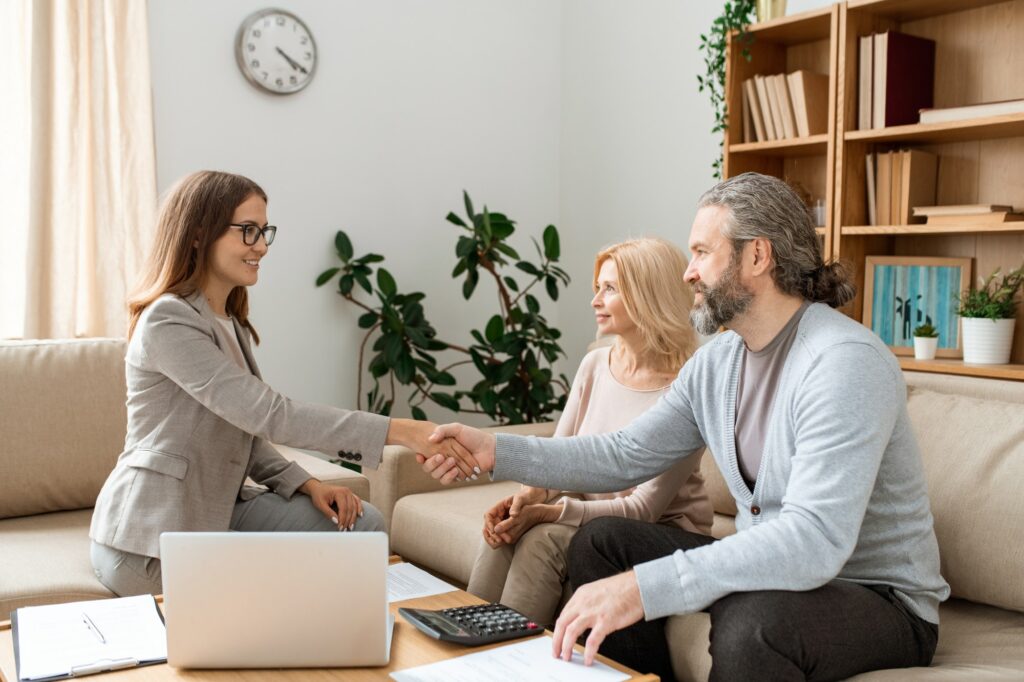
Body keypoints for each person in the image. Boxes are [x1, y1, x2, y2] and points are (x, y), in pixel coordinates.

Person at [421, 172, 950, 681]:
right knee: (602, 543)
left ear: (757, 256)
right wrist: (494, 449)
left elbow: (813, 542)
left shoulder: (842, 361)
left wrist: (644, 587)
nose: (687, 272)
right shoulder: (719, 360)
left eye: (701, 252)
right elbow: (624, 453)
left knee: (752, 623)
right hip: (780, 568)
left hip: (877, 597)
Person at [89, 170, 476, 598]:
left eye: (264, 231)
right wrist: (402, 431)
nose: (261, 246)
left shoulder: (229, 323)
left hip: (219, 511)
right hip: (149, 537)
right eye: (247, 231)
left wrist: (308, 484)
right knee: (268, 600)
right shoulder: (169, 320)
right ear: (199, 235)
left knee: (363, 526)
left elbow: (244, 434)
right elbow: (270, 414)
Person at [466, 238, 712, 627]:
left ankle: (504, 657)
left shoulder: (688, 387)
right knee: (505, 530)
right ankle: (460, 642)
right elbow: (559, 459)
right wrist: (526, 499)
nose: (595, 300)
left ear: (647, 295)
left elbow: (642, 510)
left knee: (541, 539)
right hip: (593, 518)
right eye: (597, 288)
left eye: (610, 289)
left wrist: (549, 512)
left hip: (651, 534)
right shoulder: (596, 364)